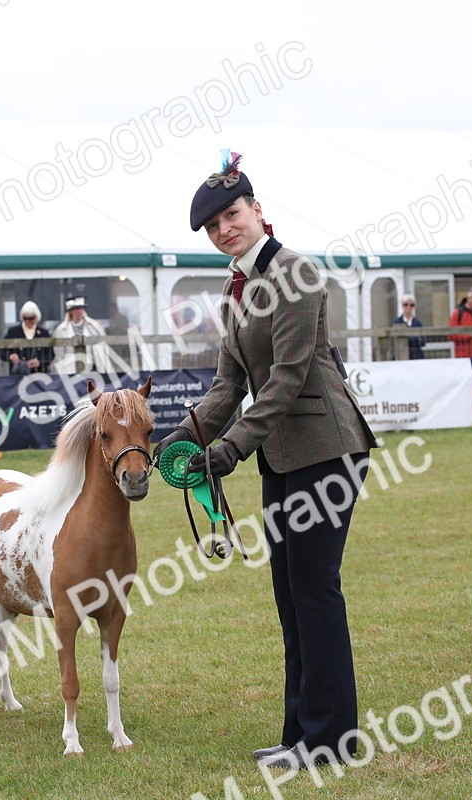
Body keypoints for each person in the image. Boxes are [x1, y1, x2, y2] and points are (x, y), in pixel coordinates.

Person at [153, 152, 378, 771]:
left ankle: (332, 740)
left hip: (328, 448)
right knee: (290, 593)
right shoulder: (236, 292)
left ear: (258, 211)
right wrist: (173, 441)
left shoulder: (296, 273)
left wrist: (226, 450)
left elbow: (286, 378)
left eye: (233, 214)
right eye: (214, 225)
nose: (226, 229)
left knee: (314, 589)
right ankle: (300, 734)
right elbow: (227, 388)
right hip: (282, 455)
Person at [52, 296, 113, 375]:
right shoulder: (62, 329)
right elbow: (59, 354)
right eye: (76, 309)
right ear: (70, 311)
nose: (79, 311)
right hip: (69, 368)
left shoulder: (94, 327)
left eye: (81, 308)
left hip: (90, 367)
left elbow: (102, 346)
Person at [0, 301, 54, 375]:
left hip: (39, 375)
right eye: (25, 318)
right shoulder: (13, 332)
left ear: (36, 317)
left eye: (31, 318)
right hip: (18, 375)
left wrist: (39, 362)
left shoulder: (44, 333)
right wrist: (10, 356)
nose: (28, 321)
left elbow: (50, 354)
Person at [392, 293, 426, 360]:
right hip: (401, 357)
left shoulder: (418, 323)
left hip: (417, 357)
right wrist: (415, 338)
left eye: (411, 305)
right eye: (406, 304)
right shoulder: (397, 322)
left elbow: (423, 342)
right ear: (402, 306)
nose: (408, 307)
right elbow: (395, 342)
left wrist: (408, 339)